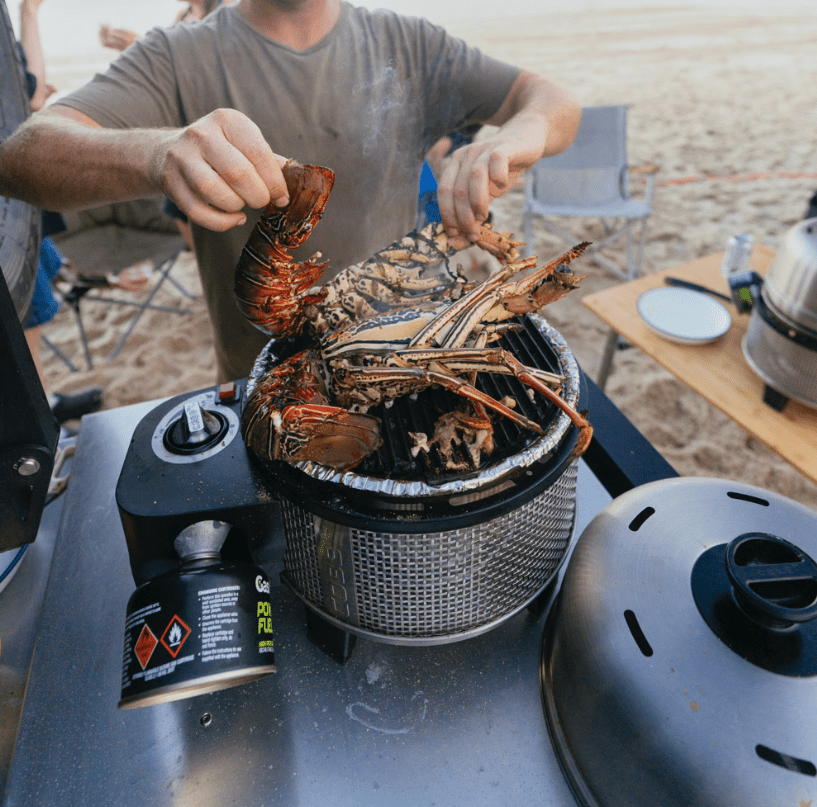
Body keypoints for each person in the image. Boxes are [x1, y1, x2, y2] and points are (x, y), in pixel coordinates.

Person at [0, 0, 582, 384]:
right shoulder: (176, 55)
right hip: (267, 371)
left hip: (412, 351)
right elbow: (22, 156)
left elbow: (552, 99)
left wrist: (511, 138)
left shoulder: (411, 43)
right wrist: (156, 153)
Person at [14, 0, 103, 423]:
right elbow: (31, 93)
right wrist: (29, 14)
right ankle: (40, 411)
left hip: (16, 203)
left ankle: (44, 400)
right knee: (26, 308)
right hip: (8, 207)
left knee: (40, 282)